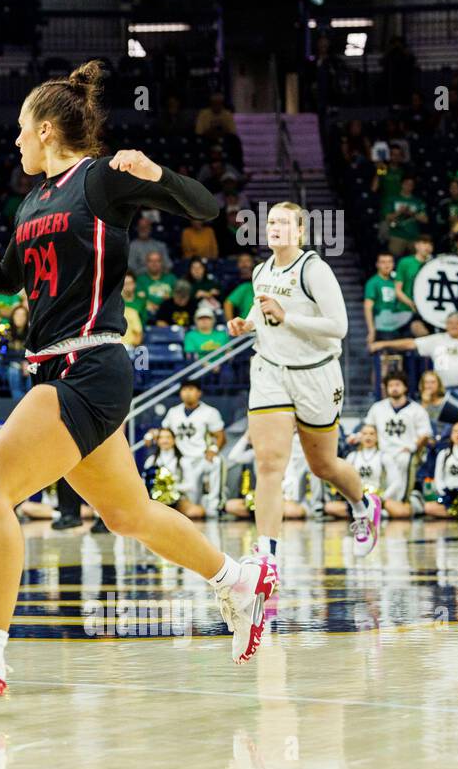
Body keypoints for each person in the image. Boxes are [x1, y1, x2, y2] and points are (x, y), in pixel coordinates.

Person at [0, 61, 275, 695]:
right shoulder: (32, 199)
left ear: (42, 129)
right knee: (128, 514)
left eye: (19, 131)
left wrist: (158, 175)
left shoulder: (99, 179)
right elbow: (7, 277)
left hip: (87, 363)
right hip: (61, 366)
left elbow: (207, 208)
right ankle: (238, 579)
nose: (14, 143)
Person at [227, 201, 380, 567]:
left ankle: (363, 505)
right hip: (269, 371)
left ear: (299, 231)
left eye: (283, 222)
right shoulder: (262, 270)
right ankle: (267, 559)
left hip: (316, 373)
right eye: (271, 222)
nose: (275, 227)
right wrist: (248, 323)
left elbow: (339, 327)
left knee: (323, 465)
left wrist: (287, 316)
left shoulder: (315, 270)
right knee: (268, 464)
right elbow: (261, 306)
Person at [372, 313, 458, 400]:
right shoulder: (437, 340)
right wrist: (383, 343)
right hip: (442, 391)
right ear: (445, 325)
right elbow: (411, 343)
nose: (454, 326)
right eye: (450, 323)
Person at [361, 371, 432, 506]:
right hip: (382, 451)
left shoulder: (416, 410)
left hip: (405, 451)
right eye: (391, 385)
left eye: (397, 385)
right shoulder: (378, 408)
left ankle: (400, 502)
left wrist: (413, 447)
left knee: (403, 461)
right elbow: (368, 427)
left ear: (405, 387)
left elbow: (425, 434)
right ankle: (375, 501)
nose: (394, 388)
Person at [159, 380, 225, 514]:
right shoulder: (173, 412)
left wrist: (213, 449)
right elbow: (164, 431)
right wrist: (153, 434)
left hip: (202, 457)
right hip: (180, 459)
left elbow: (221, 436)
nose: (187, 393)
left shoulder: (210, 412)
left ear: (199, 392)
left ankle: (214, 507)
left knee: (217, 462)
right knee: (192, 497)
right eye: (184, 389)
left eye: (191, 389)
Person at [324, 424, 412, 520]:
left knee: (403, 511)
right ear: (360, 437)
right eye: (365, 434)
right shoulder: (352, 456)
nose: (368, 437)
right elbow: (344, 480)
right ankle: (373, 514)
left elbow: (396, 481)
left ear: (377, 437)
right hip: (357, 500)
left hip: (379, 499)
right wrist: (351, 497)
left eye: (372, 434)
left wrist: (382, 497)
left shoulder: (384, 456)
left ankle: (369, 513)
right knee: (329, 507)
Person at [142, 428, 205, 519]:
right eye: (162, 437)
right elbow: (143, 482)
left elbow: (192, 485)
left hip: (177, 498)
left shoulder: (183, 461)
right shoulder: (151, 461)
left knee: (196, 512)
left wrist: (172, 488)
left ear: (174, 440)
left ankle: (174, 514)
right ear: (157, 441)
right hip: (155, 499)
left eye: (168, 437)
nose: (165, 440)